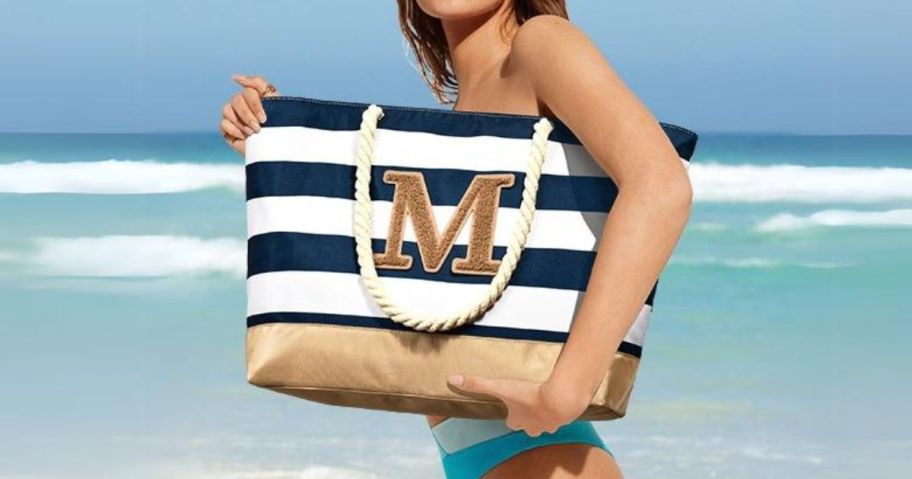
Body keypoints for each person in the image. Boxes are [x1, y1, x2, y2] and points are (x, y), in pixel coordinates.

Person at [220, 1, 692, 477]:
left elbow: (661, 186)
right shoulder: (467, 115)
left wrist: (568, 390)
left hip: (547, 456)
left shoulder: (542, 41)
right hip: (480, 452)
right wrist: (274, 140)